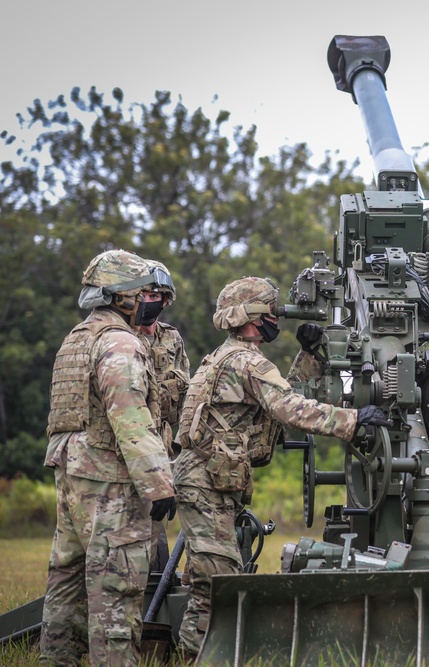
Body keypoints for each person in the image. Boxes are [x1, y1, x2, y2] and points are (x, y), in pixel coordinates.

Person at [172, 276, 392, 661]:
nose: (278, 317)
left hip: (206, 483)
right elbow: (289, 409)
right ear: (255, 316)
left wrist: (310, 353)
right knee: (216, 589)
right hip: (205, 485)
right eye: (273, 310)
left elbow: (281, 397)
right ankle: (197, 658)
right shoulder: (247, 363)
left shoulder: (229, 357)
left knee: (210, 583)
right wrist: (354, 421)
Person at [40, 249, 177, 667]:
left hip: (72, 477)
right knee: (115, 589)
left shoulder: (78, 338)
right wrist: (159, 485)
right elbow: (131, 418)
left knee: (66, 580)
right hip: (110, 484)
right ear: (120, 295)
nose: (152, 300)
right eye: (145, 292)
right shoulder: (120, 343)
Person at [139, 259, 191, 572]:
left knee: (156, 556)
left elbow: (186, 401)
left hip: (160, 453)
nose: (146, 301)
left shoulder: (172, 340)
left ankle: (153, 617)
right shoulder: (116, 337)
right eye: (141, 294)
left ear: (165, 300)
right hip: (124, 452)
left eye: (153, 295)